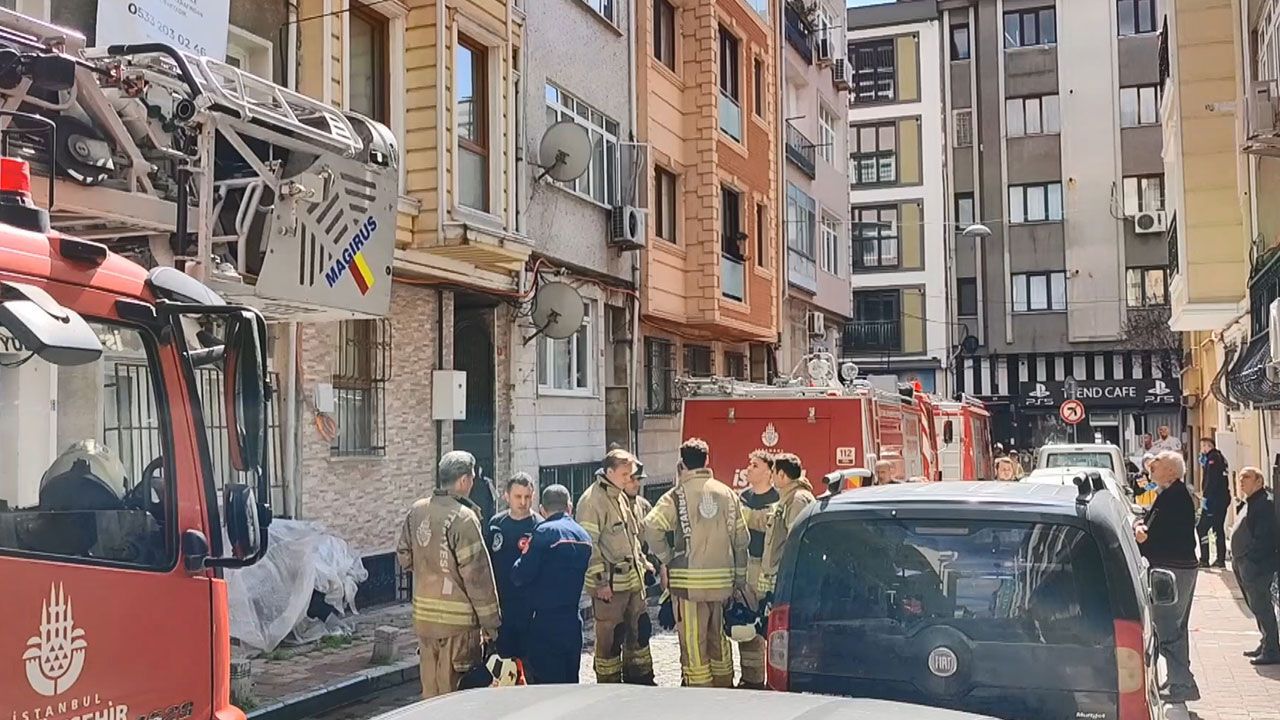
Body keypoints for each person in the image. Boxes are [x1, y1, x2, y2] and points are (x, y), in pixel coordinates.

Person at [643, 438, 749, 688]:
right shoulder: (727, 493)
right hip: (722, 584)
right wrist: (739, 579)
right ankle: (724, 687)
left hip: (688, 587)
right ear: (707, 460)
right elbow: (742, 539)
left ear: (682, 462)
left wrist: (667, 558)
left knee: (693, 643)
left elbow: (651, 526)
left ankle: (699, 693)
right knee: (718, 639)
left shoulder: (676, 496)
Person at [396, 451, 501, 699]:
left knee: (431, 694)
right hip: (458, 627)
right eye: (472, 478)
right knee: (456, 696)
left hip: (425, 622)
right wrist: (491, 625)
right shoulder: (464, 518)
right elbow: (477, 579)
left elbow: (404, 556)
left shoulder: (417, 511)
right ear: (464, 480)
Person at [577, 448, 655, 684]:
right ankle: (609, 683)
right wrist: (600, 583)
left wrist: (645, 564)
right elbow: (589, 545)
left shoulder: (620, 496)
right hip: (610, 588)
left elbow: (631, 538)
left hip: (633, 583)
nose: (629, 479)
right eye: (624, 474)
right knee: (610, 639)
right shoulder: (592, 502)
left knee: (639, 631)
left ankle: (640, 678)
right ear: (609, 472)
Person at [1133, 450, 1200, 703]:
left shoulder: (1175, 497)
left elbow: (1154, 533)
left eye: (1157, 464)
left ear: (1171, 471)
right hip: (1176, 567)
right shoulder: (1169, 494)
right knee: (1174, 628)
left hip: (1172, 570)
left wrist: (1141, 534)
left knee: (1167, 628)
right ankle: (1178, 679)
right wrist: (1140, 525)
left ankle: (1182, 683)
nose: (1152, 468)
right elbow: (1150, 521)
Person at [511, 484, 593, 683]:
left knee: (547, 686)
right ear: (569, 507)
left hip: (545, 623)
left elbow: (520, 574)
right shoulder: (584, 535)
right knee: (570, 682)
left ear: (542, 509)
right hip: (572, 621)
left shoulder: (543, 533)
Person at [486, 473, 543, 660]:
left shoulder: (540, 527)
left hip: (529, 609)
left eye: (527, 497)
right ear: (506, 496)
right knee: (504, 662)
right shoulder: (496, 524)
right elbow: (486, 564)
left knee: (529, 661)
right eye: (518, 496)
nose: (523, 502)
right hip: (502, 607)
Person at [736, 450, 779, 689]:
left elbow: (770, 524)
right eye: (749, 464)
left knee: (771, 624)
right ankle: (751, 679)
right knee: (747, 624)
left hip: (769, 568)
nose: (748, 468)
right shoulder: (743, 498)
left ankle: (775, 678)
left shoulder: (778, 498)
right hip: (747, 566)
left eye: (755, 465)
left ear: (769, 472)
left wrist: (746, 516)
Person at [1230, 467, 1279, 665]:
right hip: (1245, 562)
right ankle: (1266, 641)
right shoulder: (1251, 501)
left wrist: (1250, 558)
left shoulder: (1264, 503)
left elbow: (1265, 537)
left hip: (1257, 565)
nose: (1242, 481)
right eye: (1240, 478)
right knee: (1256, 606)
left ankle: (1272, 649)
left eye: (1247, 477)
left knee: (1262, 606)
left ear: (1259, 481)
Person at [752, 453, 816, 601]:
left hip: (786, 577)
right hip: (778, 576)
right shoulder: (787, 498)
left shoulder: (797, 500)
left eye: (773, 472)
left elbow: (795, 541)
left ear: (781, 474)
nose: (772, 477)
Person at [1196, 437, 1230, 568]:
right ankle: (1220, 560)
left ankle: (1204, 559)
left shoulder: (1213, 459)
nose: (1201, 449)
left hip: (1214, 500)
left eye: (1203, 446)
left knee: (1202, 528)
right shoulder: (1220, 457)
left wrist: (1206, 497)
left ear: (1208, 446)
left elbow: (1211, 480)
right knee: (1218, 528)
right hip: (1221, 499)